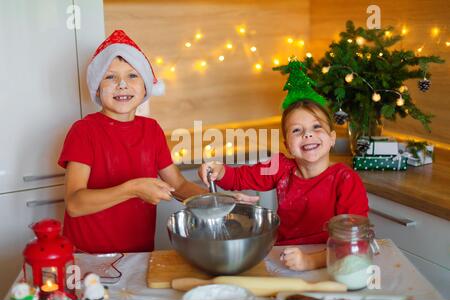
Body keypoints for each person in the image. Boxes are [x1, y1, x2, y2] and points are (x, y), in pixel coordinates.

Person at [58, 30, 257, 253]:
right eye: (110, 76)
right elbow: (75, 204)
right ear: (97, 87)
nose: (122, 84)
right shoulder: (84, 131)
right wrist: (133, 189)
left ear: (145, 86)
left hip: (140, 254)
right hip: (88, 257)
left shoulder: (151, 130)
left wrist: (220, 201)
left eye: (132, 75)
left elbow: (178, 186)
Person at [198, 59, 369, 271]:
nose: (307, 134)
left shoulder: (346, 180)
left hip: (332, 261)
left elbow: (355, 239)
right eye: (297, 130)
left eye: (316, 127)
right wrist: (219, 169)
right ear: (288, 145)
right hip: (284, 257)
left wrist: (310, 261)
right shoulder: (280, 167)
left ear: (332, 138)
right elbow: (239, 177)